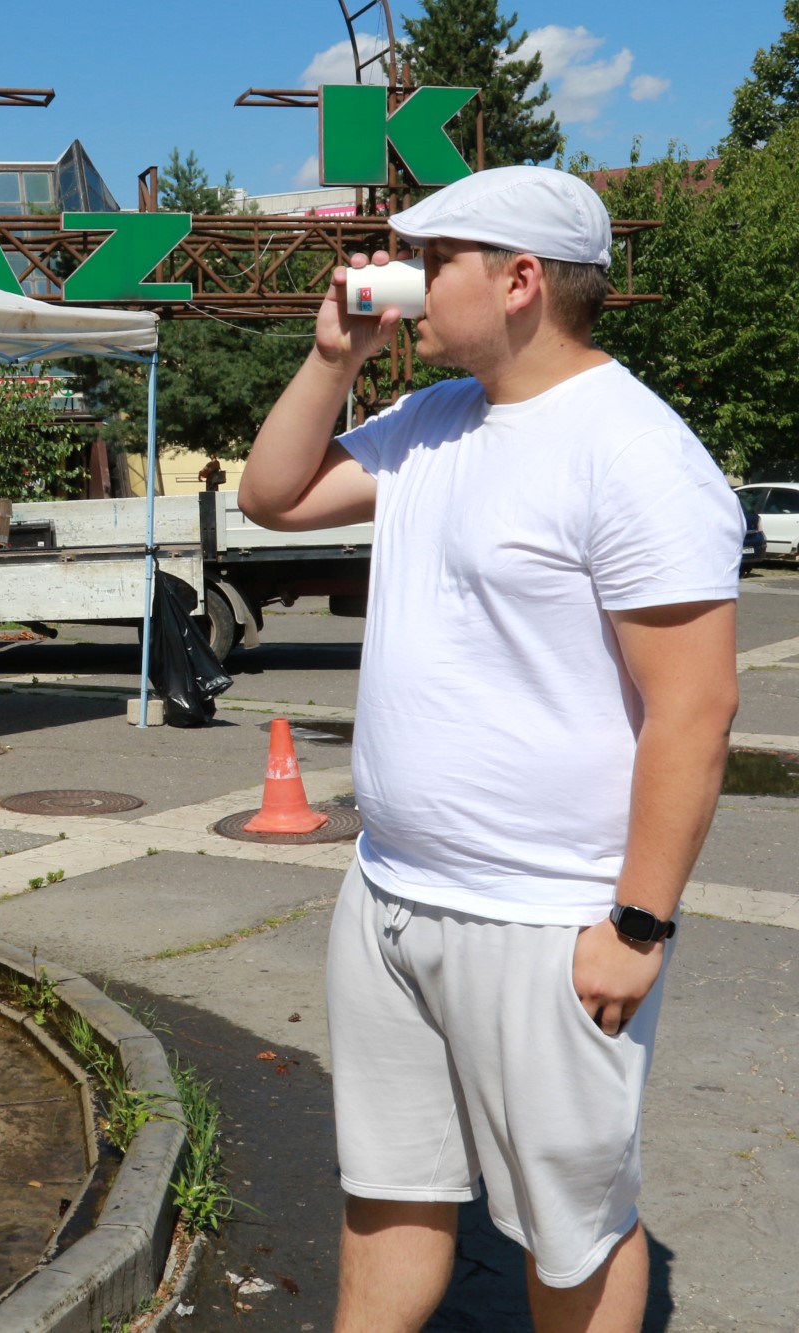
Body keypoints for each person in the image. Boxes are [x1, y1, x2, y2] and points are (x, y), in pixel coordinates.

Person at [240, 166, 740, 1332]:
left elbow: (693, 708)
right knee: (388, 1191)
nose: (406, 282)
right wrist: (330, 359)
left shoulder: (632, 450)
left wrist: (635, 926)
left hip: (545, 917)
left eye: (432, 261)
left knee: (571, 1231)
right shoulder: (434, 420)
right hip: (391, 893)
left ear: (518, 281)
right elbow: (271, 496)